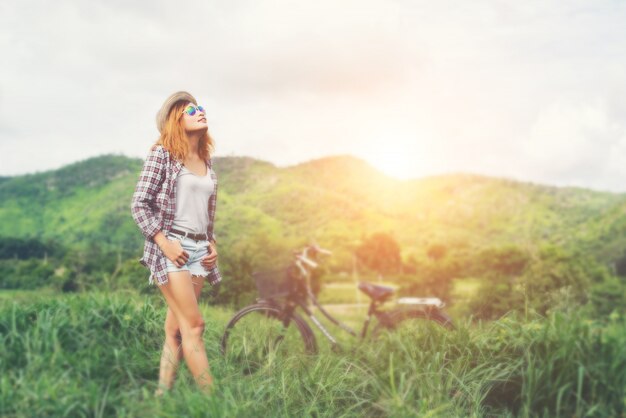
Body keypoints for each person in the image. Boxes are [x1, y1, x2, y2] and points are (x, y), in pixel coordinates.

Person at [130, 91, 222, 396]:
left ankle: (160, 399)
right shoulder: (163, 155)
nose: (200, 111)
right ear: (176, 119)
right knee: (194, 327)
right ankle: (215, 404)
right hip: (173, 250)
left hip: (198, 252)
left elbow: (205, 215)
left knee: (176, 330)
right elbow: (139, 204)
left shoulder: (206, 161)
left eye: (201, 107)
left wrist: (212, 244)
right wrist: (164, 242)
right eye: (191, 109)